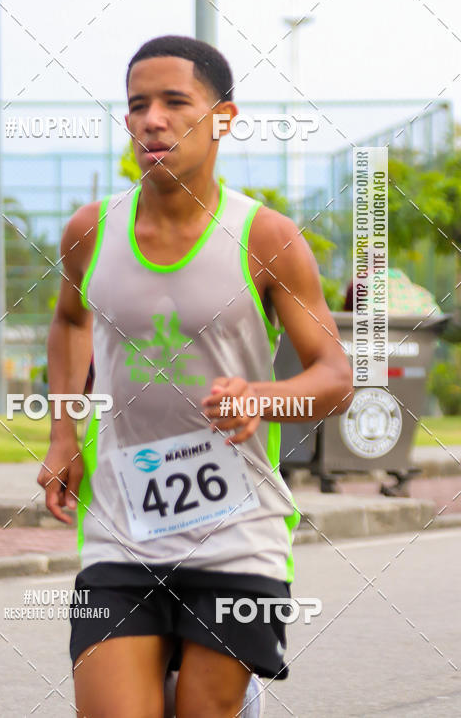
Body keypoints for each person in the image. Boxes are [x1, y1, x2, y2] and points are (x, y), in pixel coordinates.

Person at [38, 35, 354, 718]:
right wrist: (63, 434)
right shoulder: (89, 232)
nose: (151, 119)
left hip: (239, 529)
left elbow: (333, 374)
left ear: (223, 117)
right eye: (136, 105)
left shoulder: (267, 238)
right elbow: (68, 324)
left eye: (175, 102)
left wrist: (263, 398)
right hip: (123, 523)